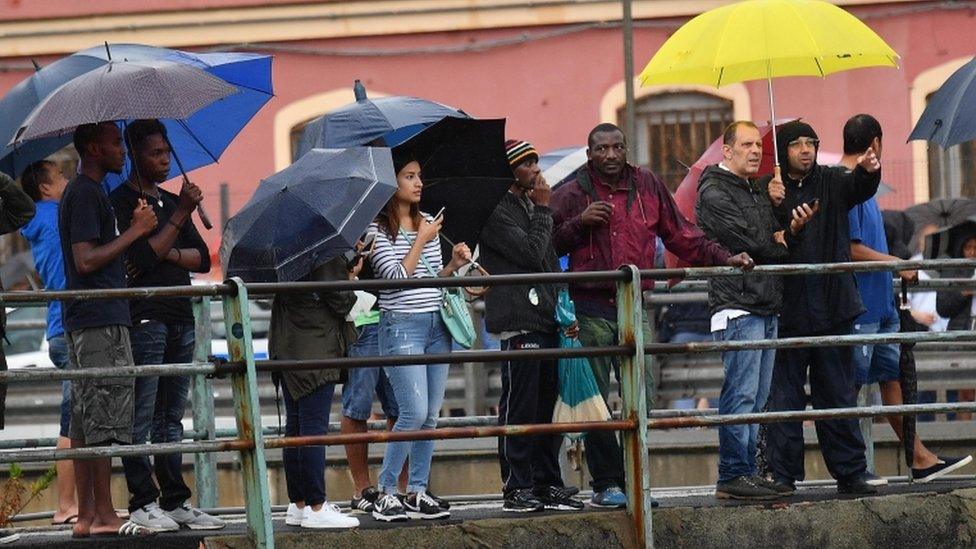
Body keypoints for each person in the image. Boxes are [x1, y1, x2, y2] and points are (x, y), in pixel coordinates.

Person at [550, 122, 753, 508]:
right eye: (601, 149)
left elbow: (681, 234)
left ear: (626, 149)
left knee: (639, 398)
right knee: (594, 403)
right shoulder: (572, 192)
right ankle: (607, 485)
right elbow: (545, 244)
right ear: (589, 153)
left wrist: (725, 257)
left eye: (617, 147)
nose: (610, 155)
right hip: (588, 306)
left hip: (634, 307)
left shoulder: (647, 185)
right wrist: (580, 225)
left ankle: (637, 482)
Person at [841, 114, 971, 483]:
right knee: (849, 386)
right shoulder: (847, 188)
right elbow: (850, 250)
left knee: (892, 379)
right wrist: (897, 262)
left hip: (880, 304)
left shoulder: (864, 186)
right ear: (876, 144)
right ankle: (851, 469)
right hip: (860, 305)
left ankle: (918, 457)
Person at [109, 120, 225, 531]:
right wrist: (179, 217)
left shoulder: (172, 201)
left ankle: (175, 499)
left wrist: (169, 249)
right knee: (142, 413)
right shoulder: (122, 202)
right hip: (146, 316)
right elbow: (139, 260)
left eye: (165, 151)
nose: (163, 159)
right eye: (155, 153)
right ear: (135, 154)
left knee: (172, 416)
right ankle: (143, 501)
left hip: (180, 313)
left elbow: (202, 258)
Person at [695, 121, 817, 499]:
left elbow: (774, 237)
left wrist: (782, 216)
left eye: (756, 146)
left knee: (759, 397)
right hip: (738, 304)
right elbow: (755, 243)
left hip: (764, 302)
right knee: (742, 394)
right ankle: (732, 474)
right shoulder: (715, 192)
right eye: (745, 144)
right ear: (726, 151)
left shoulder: (755, 188)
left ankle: (745, 472)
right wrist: (779, 240)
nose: (754, 151)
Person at [762, 120, 881, 495]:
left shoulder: (832, 180)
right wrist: (774, 205)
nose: (805, 150)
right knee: (785, 399)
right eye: (796, 144)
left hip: (833, 306)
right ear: (783, 152)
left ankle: (850, 472)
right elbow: (767, 244)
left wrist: (868, 171)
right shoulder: (768, 191)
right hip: (788, 311)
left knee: (838, 396)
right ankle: (782, 475)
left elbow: (858, 188)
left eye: (810, 142)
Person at [59, 122, 157, 538]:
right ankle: (98, 514)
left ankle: (91, 515)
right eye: (116, 142)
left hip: (96, 316)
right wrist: (136, 231)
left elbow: (95, 258)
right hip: (98, 320)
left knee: (86, 424)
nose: (123, 150)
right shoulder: (83, 192)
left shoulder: (88, 192)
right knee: (101, 423)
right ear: (92, 148)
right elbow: (85, 261)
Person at [479, 139, 583, 512]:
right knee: (519, 406)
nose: (536, 169)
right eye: (526, 163)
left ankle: (546, 482)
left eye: (537, 161)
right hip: (518, 322)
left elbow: (550, 260)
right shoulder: (495, 210)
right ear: (510, 172)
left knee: (546, 406)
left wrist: (562, 312)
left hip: (545, 318)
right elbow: (529, 254)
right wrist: (543, 209)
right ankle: (517, 486)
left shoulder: (529, 204)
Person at [367, 152, 472, 522]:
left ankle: (418, 490)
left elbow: (430, 281)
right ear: (390, 183)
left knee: (429, 415)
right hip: (401, 326)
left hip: (436, 325)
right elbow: (395, 279)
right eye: (409, 176)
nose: (418, 183)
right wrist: (421, 239)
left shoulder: (428, 223)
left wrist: (453, 267)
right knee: (411, 411)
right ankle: (386, 490)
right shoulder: (376, 230)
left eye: (419, 176)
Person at [269, 255, 361, 529]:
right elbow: (341, 300)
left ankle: (299, 504)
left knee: (296, 426)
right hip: (314, 345)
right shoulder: (322, 251)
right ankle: (317, 507)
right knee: (313, 429)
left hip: (287, 344)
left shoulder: (285, 248)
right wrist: (350, 276)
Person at [18, 160, 77, 524]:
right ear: (45, 188)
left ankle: (77, 504)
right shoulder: (57, 218)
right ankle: (67, 505)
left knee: (78, 421)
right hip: (70, 328)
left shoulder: (39, 220)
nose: (68, 180)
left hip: (58, 328)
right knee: (72, 423)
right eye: (61, 176)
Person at [340, 251, 409, 513]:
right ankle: (362, 489)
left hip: (397, 313)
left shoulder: (398, 220)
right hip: (365, 311)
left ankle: (398, 489)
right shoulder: (354, 220)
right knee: (357, 403)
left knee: (402, 407)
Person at [937, 234, 976, 420]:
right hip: (963, 337)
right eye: (968, 247)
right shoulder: (953, 270)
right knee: (966, 391)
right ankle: (965, 440)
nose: (972, 252)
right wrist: (965, 291)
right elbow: (943, 307)